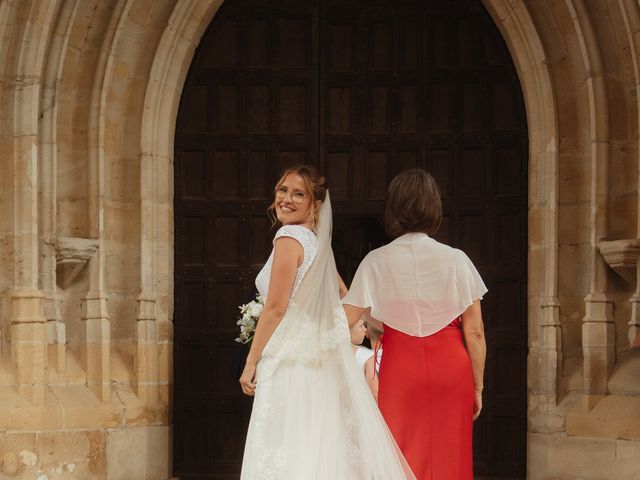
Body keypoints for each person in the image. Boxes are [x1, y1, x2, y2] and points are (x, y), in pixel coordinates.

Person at [238, 165, 415, 479]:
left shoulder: (289, 237)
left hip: (290, 360)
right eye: (282, 190)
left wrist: (251, 362)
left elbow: (276, 308)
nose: (286, 199)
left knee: (287, 444)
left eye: (298, 194)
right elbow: (346, 293)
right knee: (316, 443)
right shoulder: (316, 245)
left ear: (316, 204)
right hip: (318, 361)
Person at [342, 168, 487, 480]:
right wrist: (478, 385)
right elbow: (474, 331)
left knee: (400, 451)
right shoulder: (457, 260)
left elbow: (344, 323)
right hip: (452, 367)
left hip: (400, 368)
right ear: (434, 207)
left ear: (393, 209)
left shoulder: (375, 262)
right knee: (451, 455)